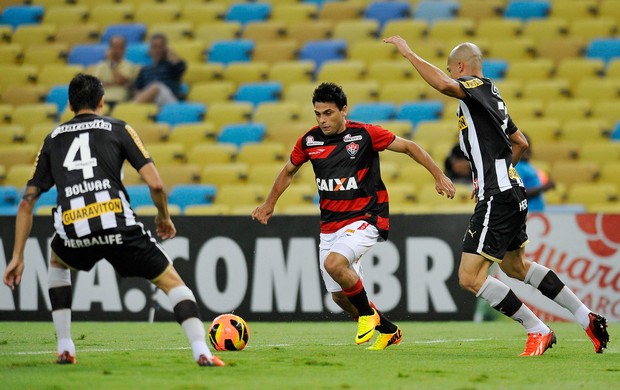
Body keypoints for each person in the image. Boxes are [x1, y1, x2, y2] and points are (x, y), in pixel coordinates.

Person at [384, 36, 610, 355]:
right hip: (511, 191)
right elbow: (520, 142)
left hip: (497, 194)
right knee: (518, 267)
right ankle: (587, 317)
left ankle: (538, 330)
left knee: (468, 277)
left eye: (451, 69)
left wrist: (409, 54)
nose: (449, 74)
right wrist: (501, 171)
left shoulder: (473, 86)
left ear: (461, 67)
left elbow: (446, 87)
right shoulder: (494, 97)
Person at [2, 74, 223, 367]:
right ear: (102, 101)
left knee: (57, 262)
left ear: (69, 104)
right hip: (117, 225)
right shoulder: (118, 128)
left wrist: (17, 255)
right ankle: (202, 352)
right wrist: (164, 217)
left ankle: (65, 347)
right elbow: (156, 185)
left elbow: (27, 201)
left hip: (73, 228)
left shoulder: (52, 139)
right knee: (173, 283)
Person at [251, 82, 456, 350]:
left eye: (328, 113)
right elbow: (288, 171)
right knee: (339, 298)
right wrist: (269, 203)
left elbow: (409, 147)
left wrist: (438, 176)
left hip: (366, 217)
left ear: (343, 110)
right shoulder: (309, 141)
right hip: (330, 226)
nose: (323, 120)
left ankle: (368, 316)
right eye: (318, 114)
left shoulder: (365, 135)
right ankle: (389, 330)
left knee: (335, 265)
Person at [132, 33, 186, 108]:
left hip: (169, 101)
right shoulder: (145, 69)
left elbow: (181, 67)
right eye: (154, 47)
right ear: (150, 49)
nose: (157, 50)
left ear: (165, 48)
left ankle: (130, 108)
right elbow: (137, 89)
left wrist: (169, 51)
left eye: (160, 47)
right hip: (150, 101)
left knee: (156, 86)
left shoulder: (171, 65)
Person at [89, 35, 139, 104]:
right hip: (99, 98)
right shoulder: (101, 65)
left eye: (119, 47)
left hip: (117, 100)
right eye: (114, 47)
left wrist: (112, 64)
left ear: (124, 49)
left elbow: (120, 80)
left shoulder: (129, 65)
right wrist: (115, 84)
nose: (116, 50)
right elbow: (94, 84)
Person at [514, 133, 555, 212]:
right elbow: (519, 193)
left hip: (537, 214)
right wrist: (544, 188)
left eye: (529, 145)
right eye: (524, 145)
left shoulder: (529, 166)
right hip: (527, 214)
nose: (527, 148)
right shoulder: (517, 166)